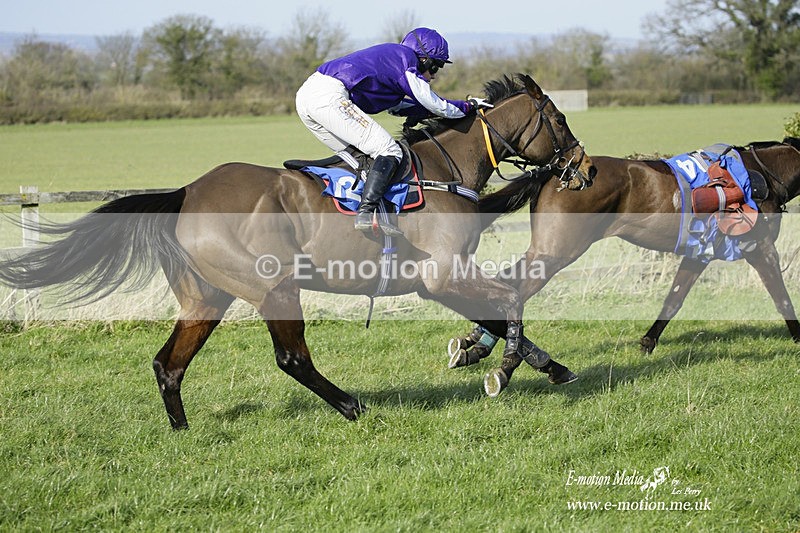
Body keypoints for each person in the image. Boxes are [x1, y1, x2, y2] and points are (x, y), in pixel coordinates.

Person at [295, 27, 491, 236]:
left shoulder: (392, 64)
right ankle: (367, 212)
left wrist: (421, 114)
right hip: (329, 98)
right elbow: (435, 104)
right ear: (423, 58)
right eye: (436, 66)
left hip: (308, 98)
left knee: (362, 158)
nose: (433, 75)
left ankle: (364, 212)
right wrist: (469, 106)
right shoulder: (405, 58)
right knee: (389, 151)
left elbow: (398, 107)